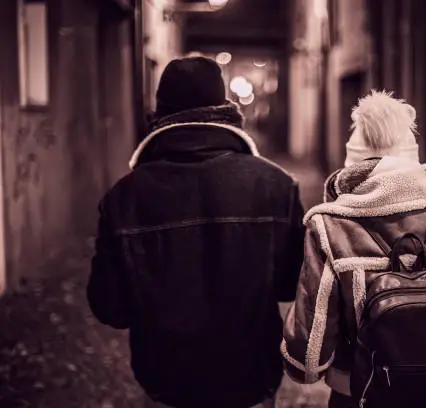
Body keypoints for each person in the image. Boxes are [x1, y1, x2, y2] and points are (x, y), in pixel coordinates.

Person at [87, 56, 305, 408]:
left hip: (167, 383)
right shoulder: (275, 186)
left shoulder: (124, 198)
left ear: (158, 116)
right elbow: (288, 285)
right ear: (225, 109)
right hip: (250, 379)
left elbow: (110, 308)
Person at [281, 90, 426, 407]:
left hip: (358, 396)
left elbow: (307, 357)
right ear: (413, 157)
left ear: (352, 162)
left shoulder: (329, 225)